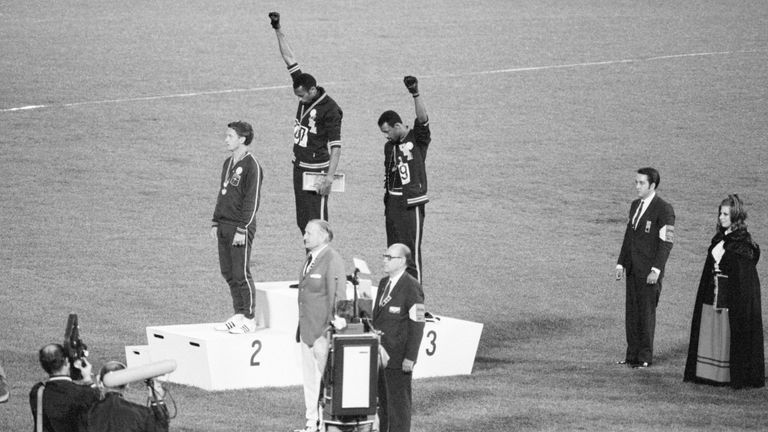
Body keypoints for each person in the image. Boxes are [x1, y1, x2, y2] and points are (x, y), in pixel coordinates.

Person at [268, 12, 343, 235]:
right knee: (303, 223)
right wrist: (277, 28)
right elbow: (289, 57)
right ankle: (312, 262)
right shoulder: (303, 85)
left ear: (312, 90)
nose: (299, 100)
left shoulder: (330, 110)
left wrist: (329, 177)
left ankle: (323, 266)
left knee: (317, 224)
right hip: (299, 167)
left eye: (302, 96)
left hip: (316, 171)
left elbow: (336, 146)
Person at [684, 194, 764, 389]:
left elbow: (744, 279)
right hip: (712, 294)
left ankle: (729, 375)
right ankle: (708, 374)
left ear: (735, 217)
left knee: (728, 334)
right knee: (712, 332)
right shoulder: (719, 238)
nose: (721, 217)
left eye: (726, 214)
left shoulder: (742, 244)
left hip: (732, 299)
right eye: (720, 213)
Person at [615, 167, 675, 368]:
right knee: (631, 314)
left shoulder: (664, 209)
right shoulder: (634, 206)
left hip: (649, 273)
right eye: (636, 182)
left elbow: (666, 243)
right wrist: (621, 263)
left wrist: (656, 270)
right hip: (632, 270)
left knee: (646, 314)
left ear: (653, 185)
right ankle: (631, 355)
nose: (637, 186)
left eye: (641, 183)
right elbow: (628, 236)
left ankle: (645, 357)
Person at [210, 121, 264, 334]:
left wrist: (243, 229)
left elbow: (252, 201)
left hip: (240, 227)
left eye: (230, 136)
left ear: (242, 139)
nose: (226, 139)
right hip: (224, 224)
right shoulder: (228, 162)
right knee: (228, 272)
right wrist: (215, 220)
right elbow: (222, 193)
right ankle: (239, 313)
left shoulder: (253, 166)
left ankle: (250, 318)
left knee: (241, 272)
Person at [377, 76, 431, 284]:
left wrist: (415, 93)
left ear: (397, 125)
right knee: (394, 252)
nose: (386, 136)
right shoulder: (389, 146)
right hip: (392, 204)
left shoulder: (417, 139)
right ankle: (397, 296)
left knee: (410, 253)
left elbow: (423, 119)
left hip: (411, 204)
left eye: (387, 131)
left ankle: (416, 301)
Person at [295, 219, 347, 432]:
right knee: (309, 380)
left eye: (309, 233)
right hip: (307, 330)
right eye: (305, 233)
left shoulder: (332, 259)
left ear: (324, 236)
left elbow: (339, 297)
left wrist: (330, 331)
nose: (304, 236)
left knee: (324, 382)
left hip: (322, 334)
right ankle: (311, 423)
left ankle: (324, 423)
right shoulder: (310, 258)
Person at [373, 243, 426, 432]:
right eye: (384, 256)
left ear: (402, 261)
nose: (384, 260)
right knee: (383, 405)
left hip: (398, 358)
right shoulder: (383, 283)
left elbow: (418, 324)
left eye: (390, 257)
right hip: (380, 356)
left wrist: (410, 357)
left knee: (398, 407)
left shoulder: (412, 287)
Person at [29, 344, 100, 432]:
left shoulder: (37, 392)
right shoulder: (83, 394)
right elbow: (100, 405)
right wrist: (88, 379)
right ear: (66, 361)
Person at [85, 361, 170, 431]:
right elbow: (160, 428)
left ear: (100, 383)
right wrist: (158, 400)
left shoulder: (87, 412)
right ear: (127, 384)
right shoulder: (142, 413)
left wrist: (87, 381)